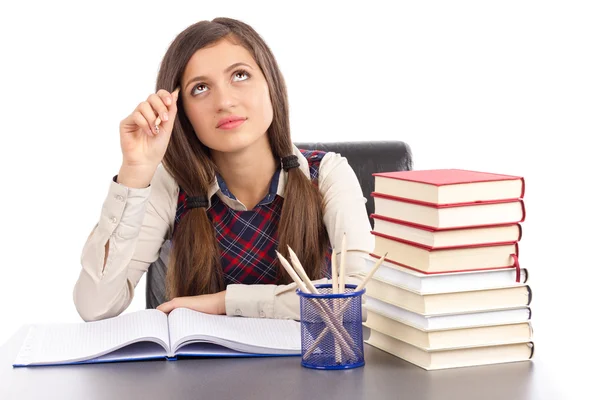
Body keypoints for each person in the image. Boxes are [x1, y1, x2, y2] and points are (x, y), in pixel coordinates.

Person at [73, 17, 374, 322]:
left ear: (271, 83)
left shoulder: (326, 175)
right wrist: (135, 171)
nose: (225, 101)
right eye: (200, 88)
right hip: (200, 368)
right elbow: (95, 306)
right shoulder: (173, 186)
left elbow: (362, 299)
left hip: (312, 365)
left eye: (240, 75)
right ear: (180, 111)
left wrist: (227, 303)